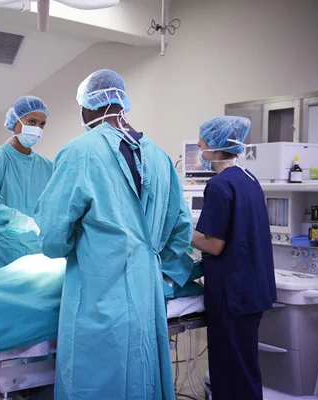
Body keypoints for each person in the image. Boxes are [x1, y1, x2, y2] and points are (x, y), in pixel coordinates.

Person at [35, 69, 192, 400]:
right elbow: (180, 231)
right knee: (143, 376)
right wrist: (149, 260)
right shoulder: (161, 158)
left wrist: (75, 246)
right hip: (149, 290)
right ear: (121, 103)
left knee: (96, 379)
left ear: (90, 107)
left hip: (99, 290)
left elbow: (52, 235)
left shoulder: (81, 152)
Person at [191, 116, 276, 400]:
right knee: (245, 367)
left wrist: (179, 232)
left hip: (232, 296)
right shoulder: (249, 179)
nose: (200, 152)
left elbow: (213, 245)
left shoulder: (219, 185)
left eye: (201, 146)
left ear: (215, 149)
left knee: (230, 371)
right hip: (252, 290)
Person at [0, 96, 53, 271]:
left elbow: (55, 207)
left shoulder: (47, 167)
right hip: (3, 256)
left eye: (42, 124)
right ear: (15, 121)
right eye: (32, 121)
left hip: (37, 257)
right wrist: (26, 223)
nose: (37, 129)